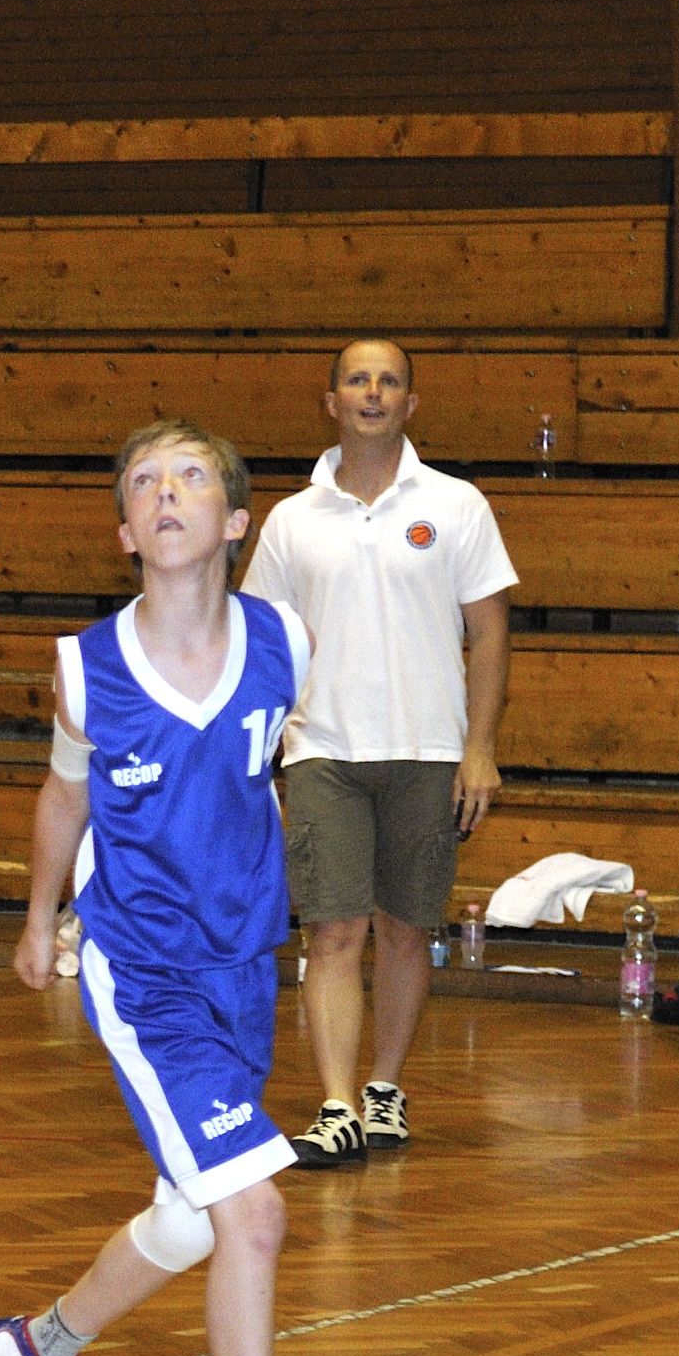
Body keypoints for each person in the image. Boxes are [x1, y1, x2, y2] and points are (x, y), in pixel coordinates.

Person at [0, 420, 361, 1356]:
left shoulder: (285, 638)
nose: (166, 492)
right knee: (253, 1214)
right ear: (125, 531)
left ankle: (33, 1351)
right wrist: (39, 916)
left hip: (241, 966)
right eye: (142, 481)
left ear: (235, 520)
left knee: (191, 1221)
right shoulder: (86, 665)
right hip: (140, 975)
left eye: (191, 475)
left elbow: (264, 779)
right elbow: (63, 792)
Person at [241, 340, 518, 1164]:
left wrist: (479, 748)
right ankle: (336, 1106)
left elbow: (490, 632)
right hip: (321, 750)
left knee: (403, 929)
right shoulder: (291, 520)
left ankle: (384, 1089)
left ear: (410, 402)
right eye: (357, 380)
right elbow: (262, 644)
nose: (373, 392)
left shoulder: (457, 504)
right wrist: (257, 754)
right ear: (331, 401)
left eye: (389, 380)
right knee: (332, 931)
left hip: (430, 750)